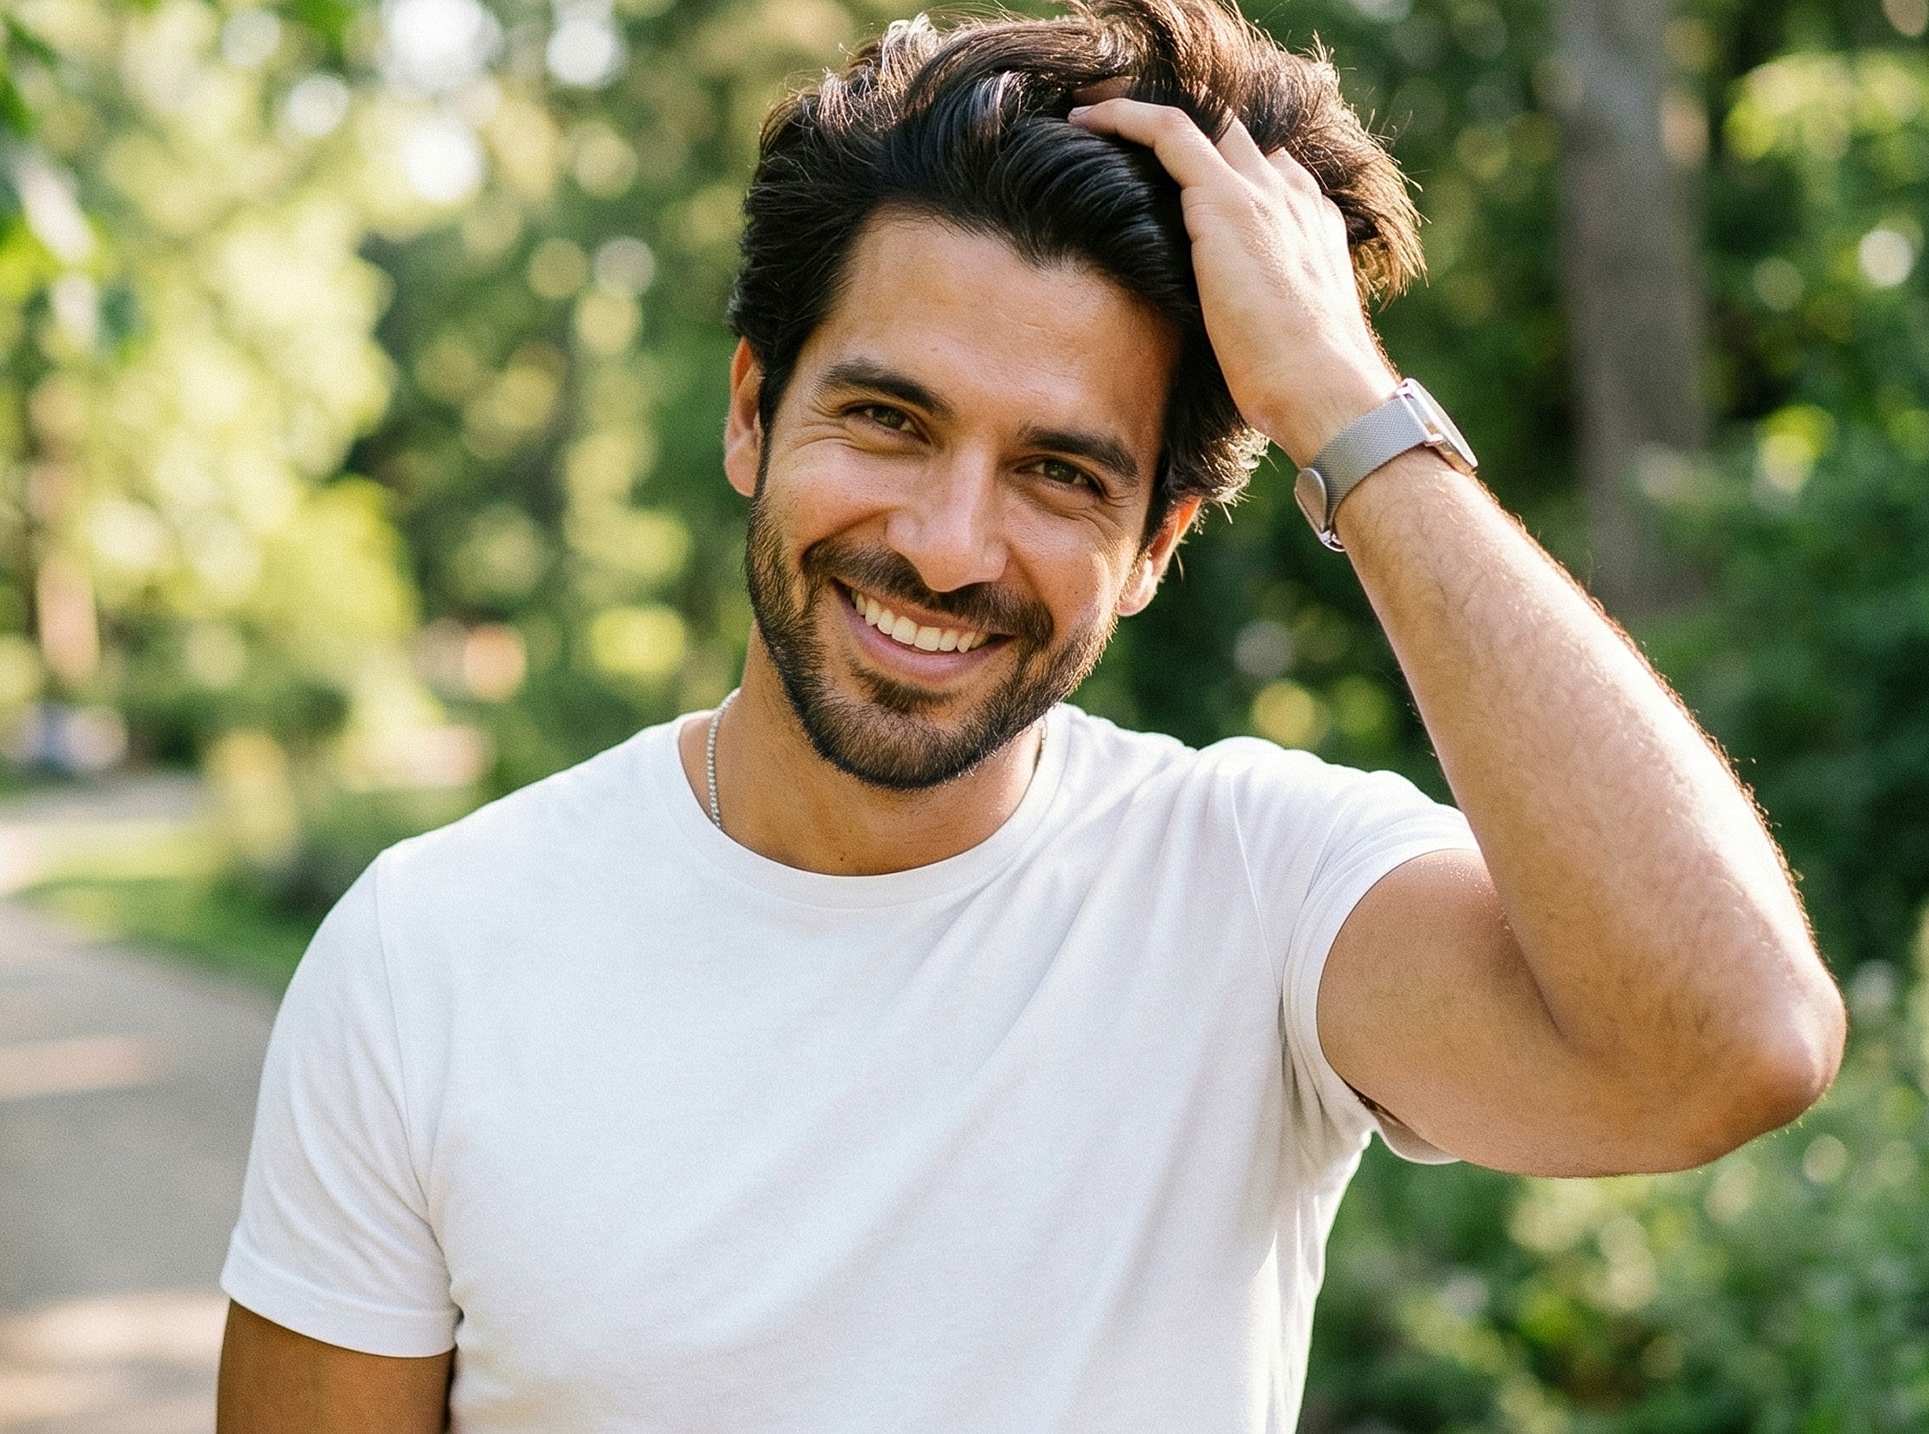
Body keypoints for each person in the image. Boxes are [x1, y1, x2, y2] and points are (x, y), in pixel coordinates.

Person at [215, 0, 1845, 1426]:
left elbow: (1736, 1041)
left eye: (1060, 473)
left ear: (1156, 547)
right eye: (888, 418)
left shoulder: (1260, 897)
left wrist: (1346, 406)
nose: (948, 543)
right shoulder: (430, 957)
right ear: (751, 411)